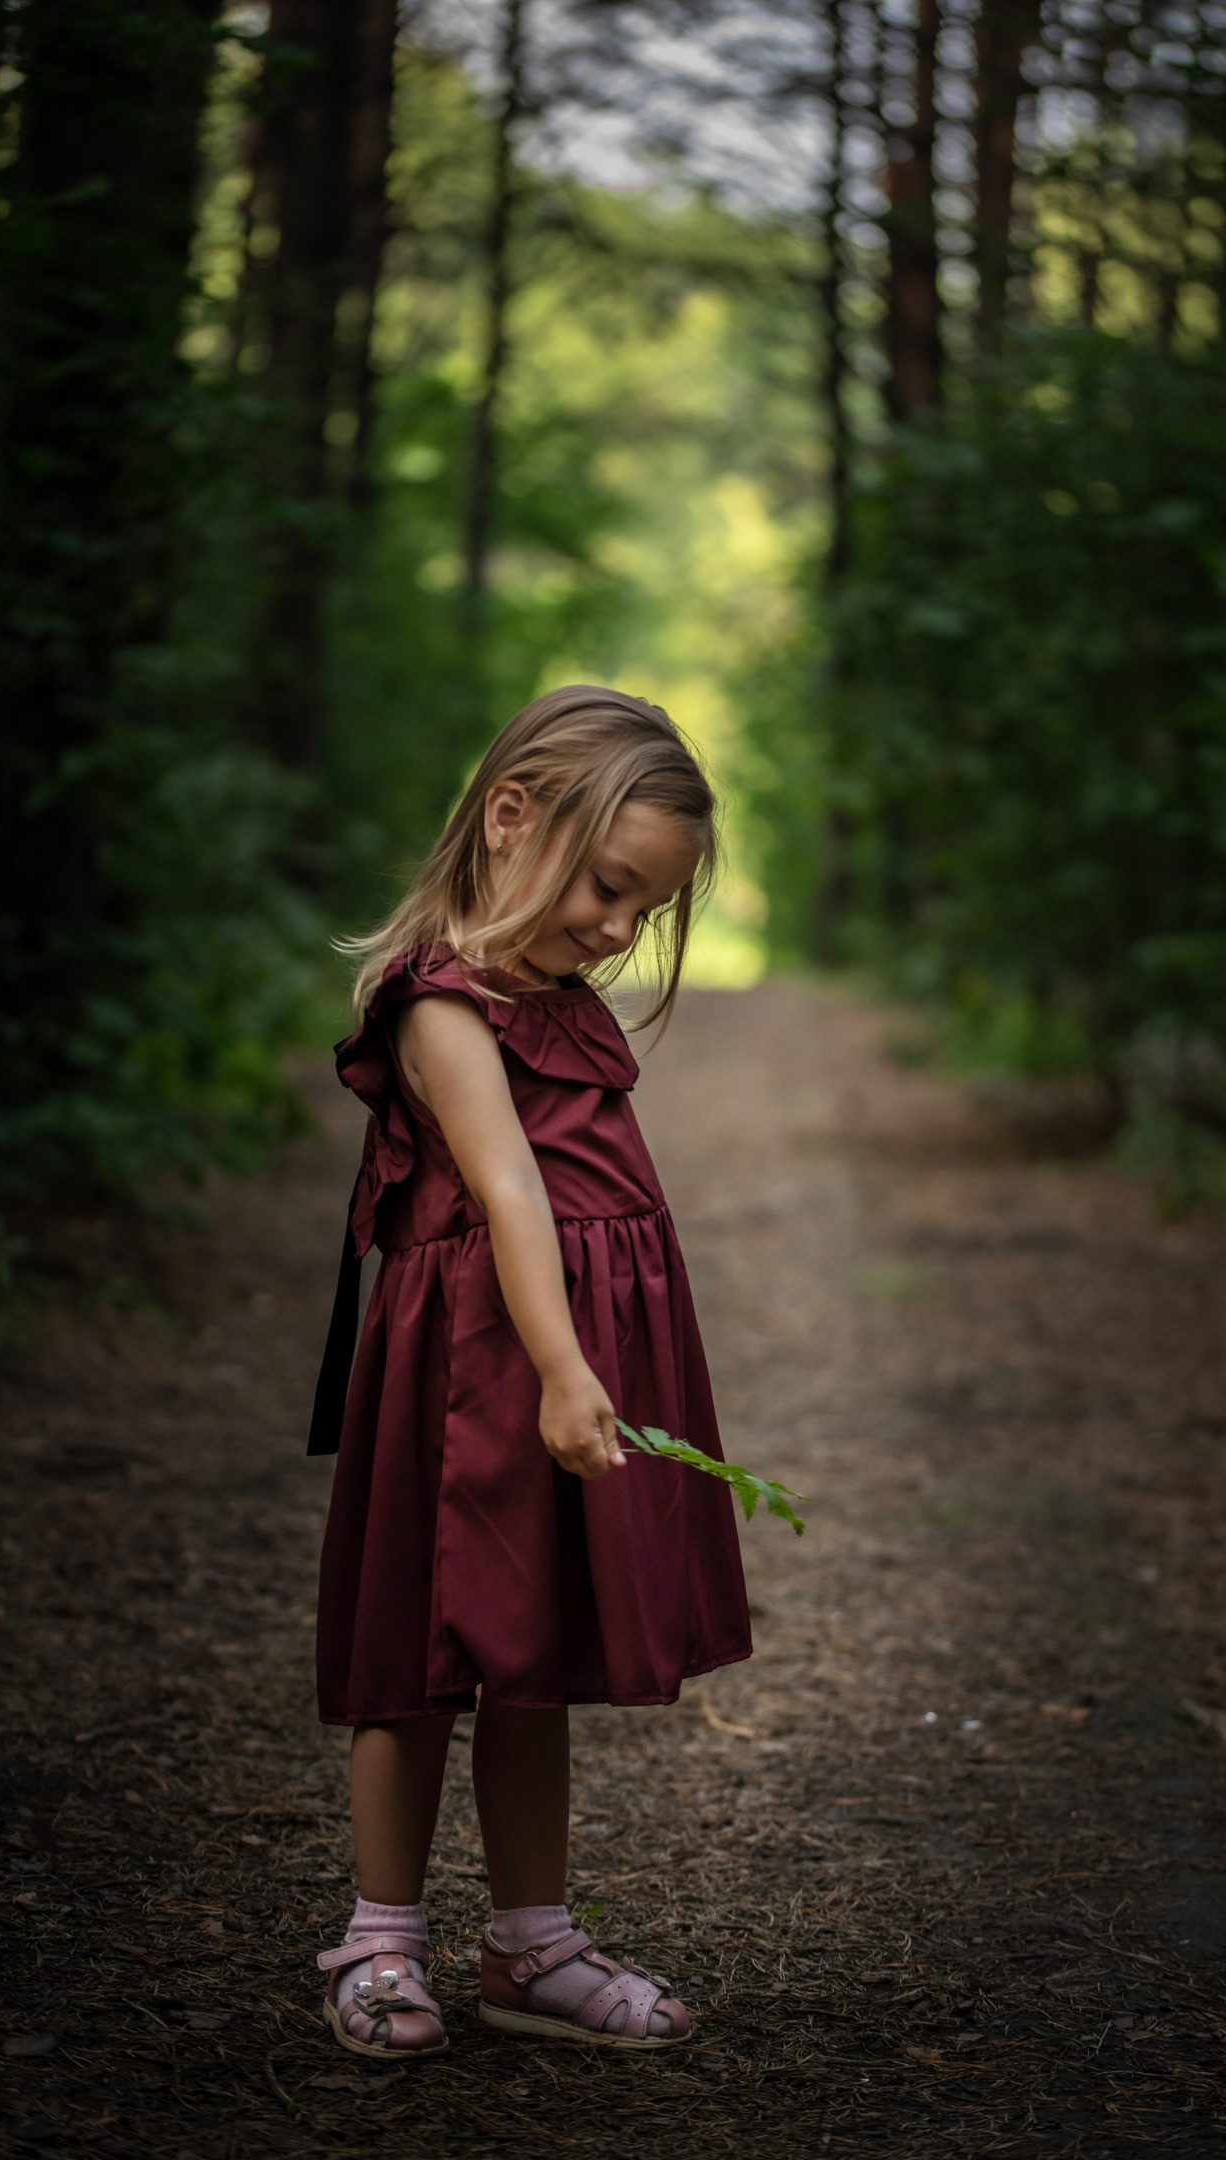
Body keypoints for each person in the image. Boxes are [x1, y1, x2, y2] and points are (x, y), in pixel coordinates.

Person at [307, 686, 753, 2060]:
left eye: (645, 914)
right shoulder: (445, 1005)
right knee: (417, 1649)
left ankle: (531, 1941)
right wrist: (567, 1372)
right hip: (477, 1374)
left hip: (557, 1368)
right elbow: (508, 1196)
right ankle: (383, 1937)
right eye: (610, 890)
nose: (618, 933)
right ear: (512, 816)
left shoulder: (552, 999)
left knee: (532, 1650)